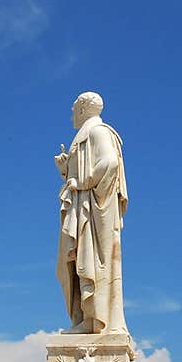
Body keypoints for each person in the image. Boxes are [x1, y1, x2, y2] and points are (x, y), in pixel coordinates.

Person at [54, 91, 129, 335]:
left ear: (84, 108)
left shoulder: (98, 131)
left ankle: (95, 321)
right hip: (85, 208)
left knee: (93, 263)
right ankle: (88, 319)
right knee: (75, 264)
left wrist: (82, 181)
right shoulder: (84, 136)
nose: (71, 114)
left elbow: (109, 163)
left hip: (93, 213)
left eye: (74, 108)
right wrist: (67, 170)